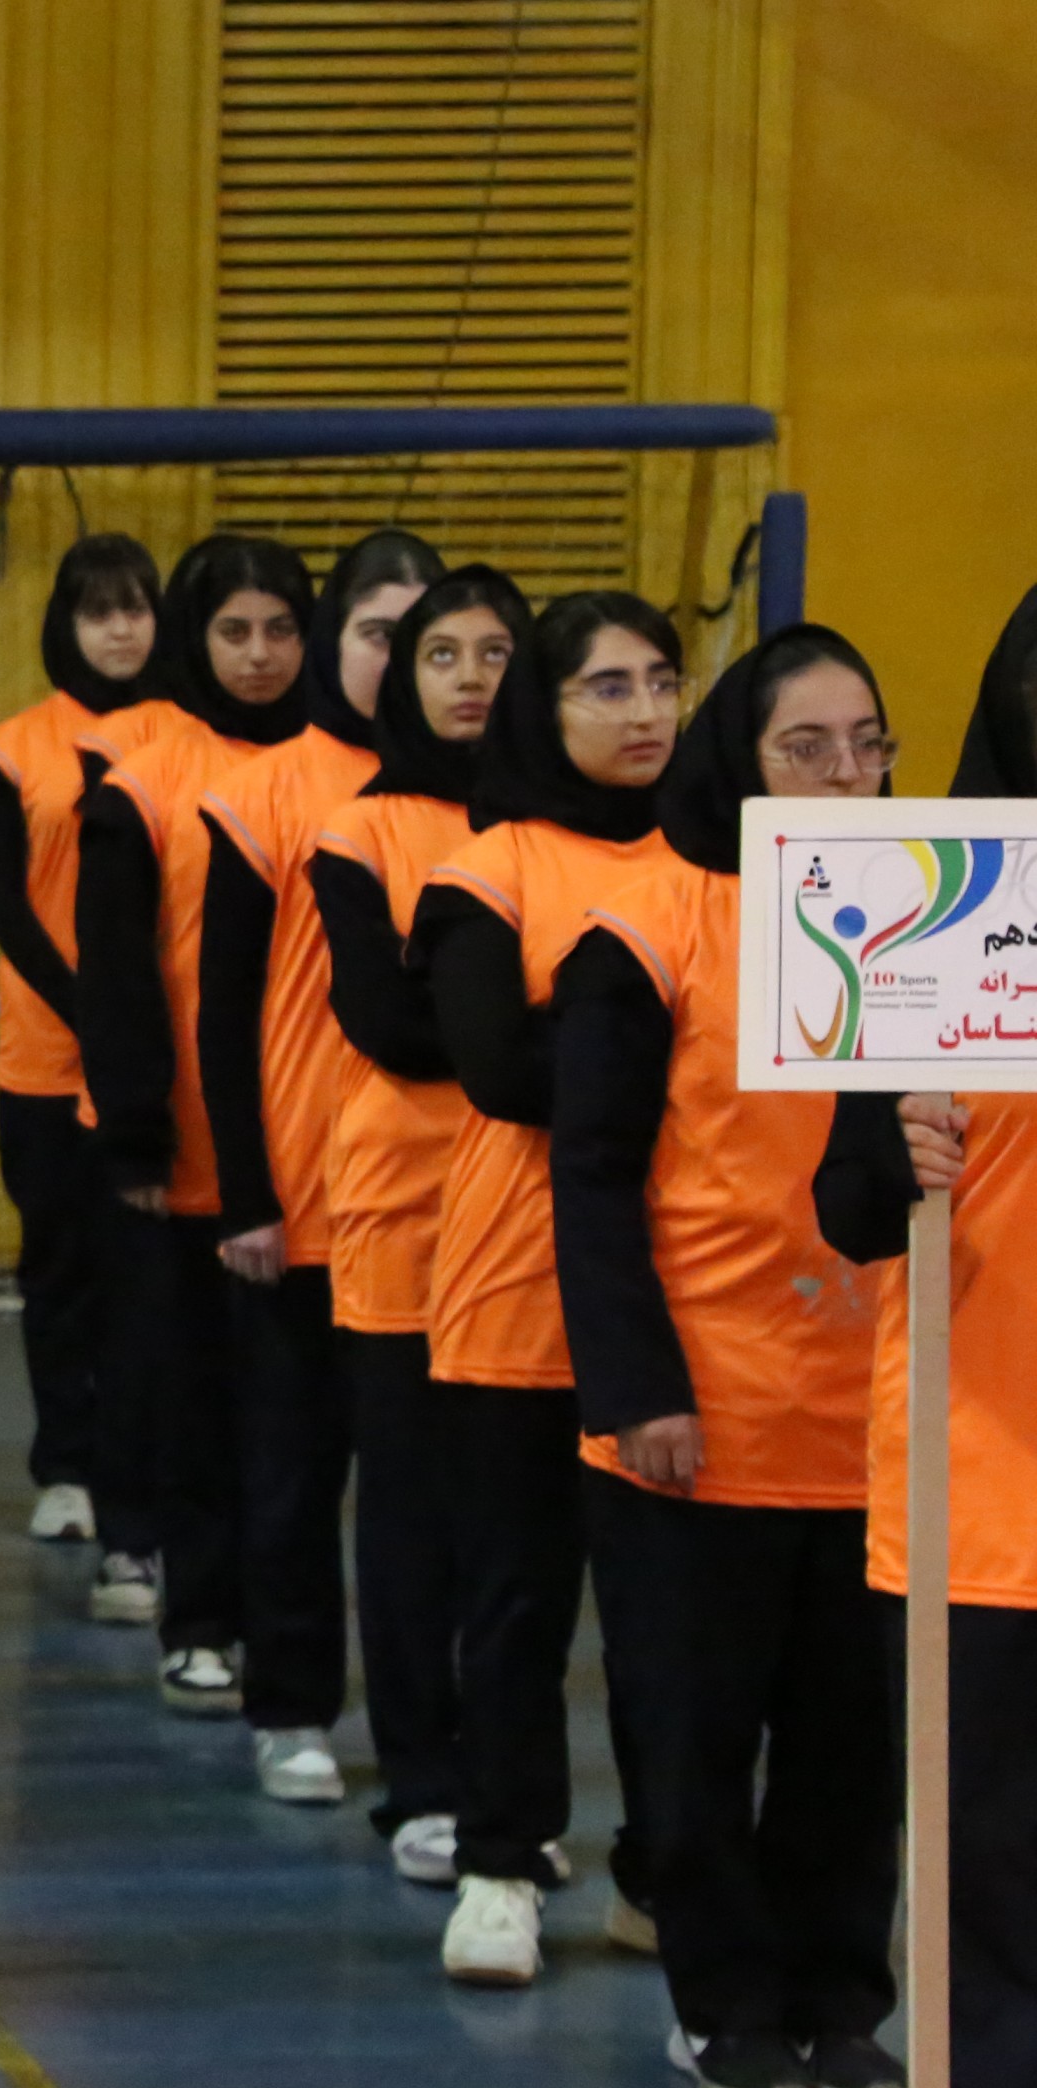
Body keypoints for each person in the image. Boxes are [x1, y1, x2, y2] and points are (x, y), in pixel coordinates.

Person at [553, 625, 903, 2088]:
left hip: (879, 1409)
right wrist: (637, 1387)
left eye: (867, 745)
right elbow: (590, 1174)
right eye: (804, 748)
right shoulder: (647, 928)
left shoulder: (926, 923)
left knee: (852, 1748)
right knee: (694, 1735)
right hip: (701, 1406)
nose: (844, 774)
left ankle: (839, 2002)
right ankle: (722, 2004)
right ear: (739, 763)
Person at [813, 584, 1037, 2088]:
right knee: (994, 1866)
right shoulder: (934, 902)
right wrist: (896, 1148)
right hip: (989, 1477)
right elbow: (840, 1200)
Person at [410, 587, 683, 1987]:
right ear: (545, 707)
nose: (644, 713)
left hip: (686, 1292)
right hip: (519, 1288)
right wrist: (657, 1041)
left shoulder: (720, 860)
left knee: (671, 1621)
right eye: (607, 687)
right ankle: (501, 1863)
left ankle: (662, 1872)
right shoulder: (489, 869)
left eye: (662, 682)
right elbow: (503, 1073)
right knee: (517, 1600)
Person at [193, 527, 441, 1803]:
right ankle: (288, 1705)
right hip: (299, 1200)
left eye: (426, 638)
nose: (400, 660)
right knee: (290, 1474)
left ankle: (432, 1758)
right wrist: (244, 1190)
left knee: (423, 1503)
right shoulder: (267, 790)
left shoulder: (484, 798)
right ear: (333, 642)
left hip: (446, 1214)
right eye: (376, 633)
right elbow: (222, 1006)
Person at [71, 533, 314, 1716]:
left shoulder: (348, 772)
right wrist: (135, 1135)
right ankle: (201, 1620)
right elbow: (115, 972)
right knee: (193, 1403)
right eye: (233, 631)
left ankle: (289, 1640)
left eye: (279, 629)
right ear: (192, 639)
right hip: (186, 1154)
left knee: (296, 1429)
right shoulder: (139, 779)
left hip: (313, 1160)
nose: (258, 654)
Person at [310, 570, 520, 1881]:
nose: (470, 678)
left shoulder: (560, 829)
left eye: (496, 653)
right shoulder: (359, 830)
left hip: (538, 1212)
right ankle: (421, 1782)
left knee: (518, 1529)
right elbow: (386, 1022)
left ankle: (507, 1790)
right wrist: (522, 1033)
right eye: (441, 654)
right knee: (406, 1514)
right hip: (402, 1208)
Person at [0, 533, 164, 1588]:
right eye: (98, 610)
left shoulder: (187, 739)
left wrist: (140, 1022)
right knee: (60, 1272)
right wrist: (94, 1007)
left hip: (162, 1069)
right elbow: (4, 904)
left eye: (136, 608)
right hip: (44, 1061)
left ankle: (145, 1472)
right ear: (65, 624)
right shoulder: (9, 752)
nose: (120, 629)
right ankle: (65, 1468)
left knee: (149, 1282)